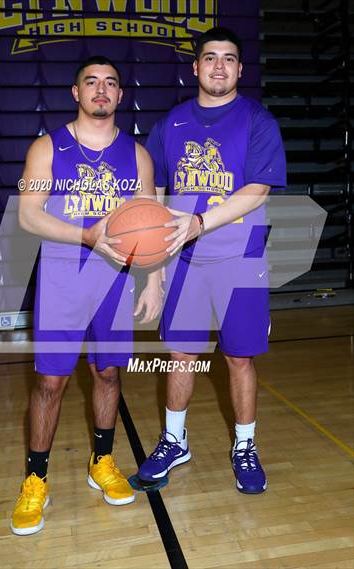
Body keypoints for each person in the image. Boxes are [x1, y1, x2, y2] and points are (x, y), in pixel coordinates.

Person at [11, 56, 163, 535]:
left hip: (114, 282)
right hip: (61, 279)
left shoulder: (138, 156)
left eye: (110, 83)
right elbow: (28, 216)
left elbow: (153, 223)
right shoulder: (46, 148)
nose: (101, 90)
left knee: (108, 374)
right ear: (75, 93)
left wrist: (155, 281)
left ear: (120, 96)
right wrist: (86, 235)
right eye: (91, 82)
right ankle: (36, 477)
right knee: (50, 384)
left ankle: (102, 461)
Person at [138, 27, 286, 494]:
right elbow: (155, 205)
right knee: (181, 354)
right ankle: (174, 440)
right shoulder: (171, 125)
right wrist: (154, 276)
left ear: (240, 69)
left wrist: (201, 221)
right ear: (196, 67)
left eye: (228, 59)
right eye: (210, 58)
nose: (218, 66)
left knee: (239, 358)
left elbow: (255, 190)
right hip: (183, 264)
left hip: (240, 261)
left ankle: (245, 445)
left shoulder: (258, 121)